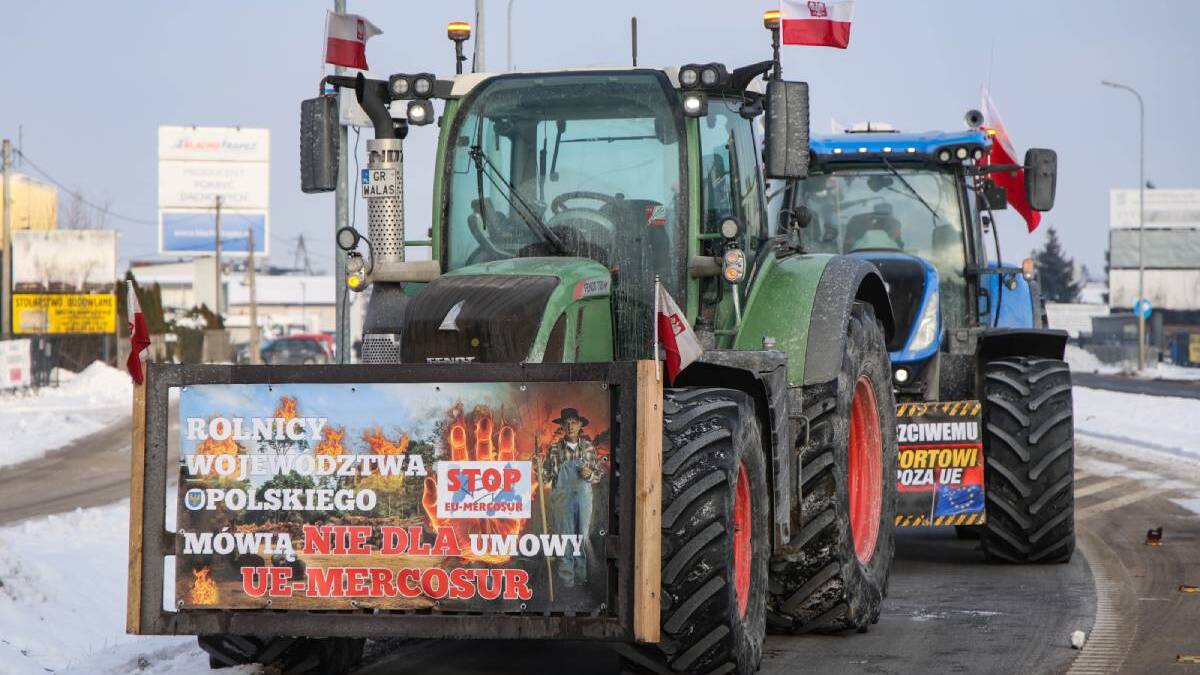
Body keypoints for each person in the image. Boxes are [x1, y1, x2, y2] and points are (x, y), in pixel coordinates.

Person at [536, 408, 602, 588]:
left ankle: (581, 578)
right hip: (562, 500)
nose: (570, 426)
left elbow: (598, 474)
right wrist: (538, 466)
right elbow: (545, 478)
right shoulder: (554, 449)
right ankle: (567, 582)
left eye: (573, 422)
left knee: (582, 537)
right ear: (562, 427)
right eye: (566, 423)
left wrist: (589, 474)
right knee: (565, 538)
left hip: (583, 498)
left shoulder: (588, 448)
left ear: (580, 425)